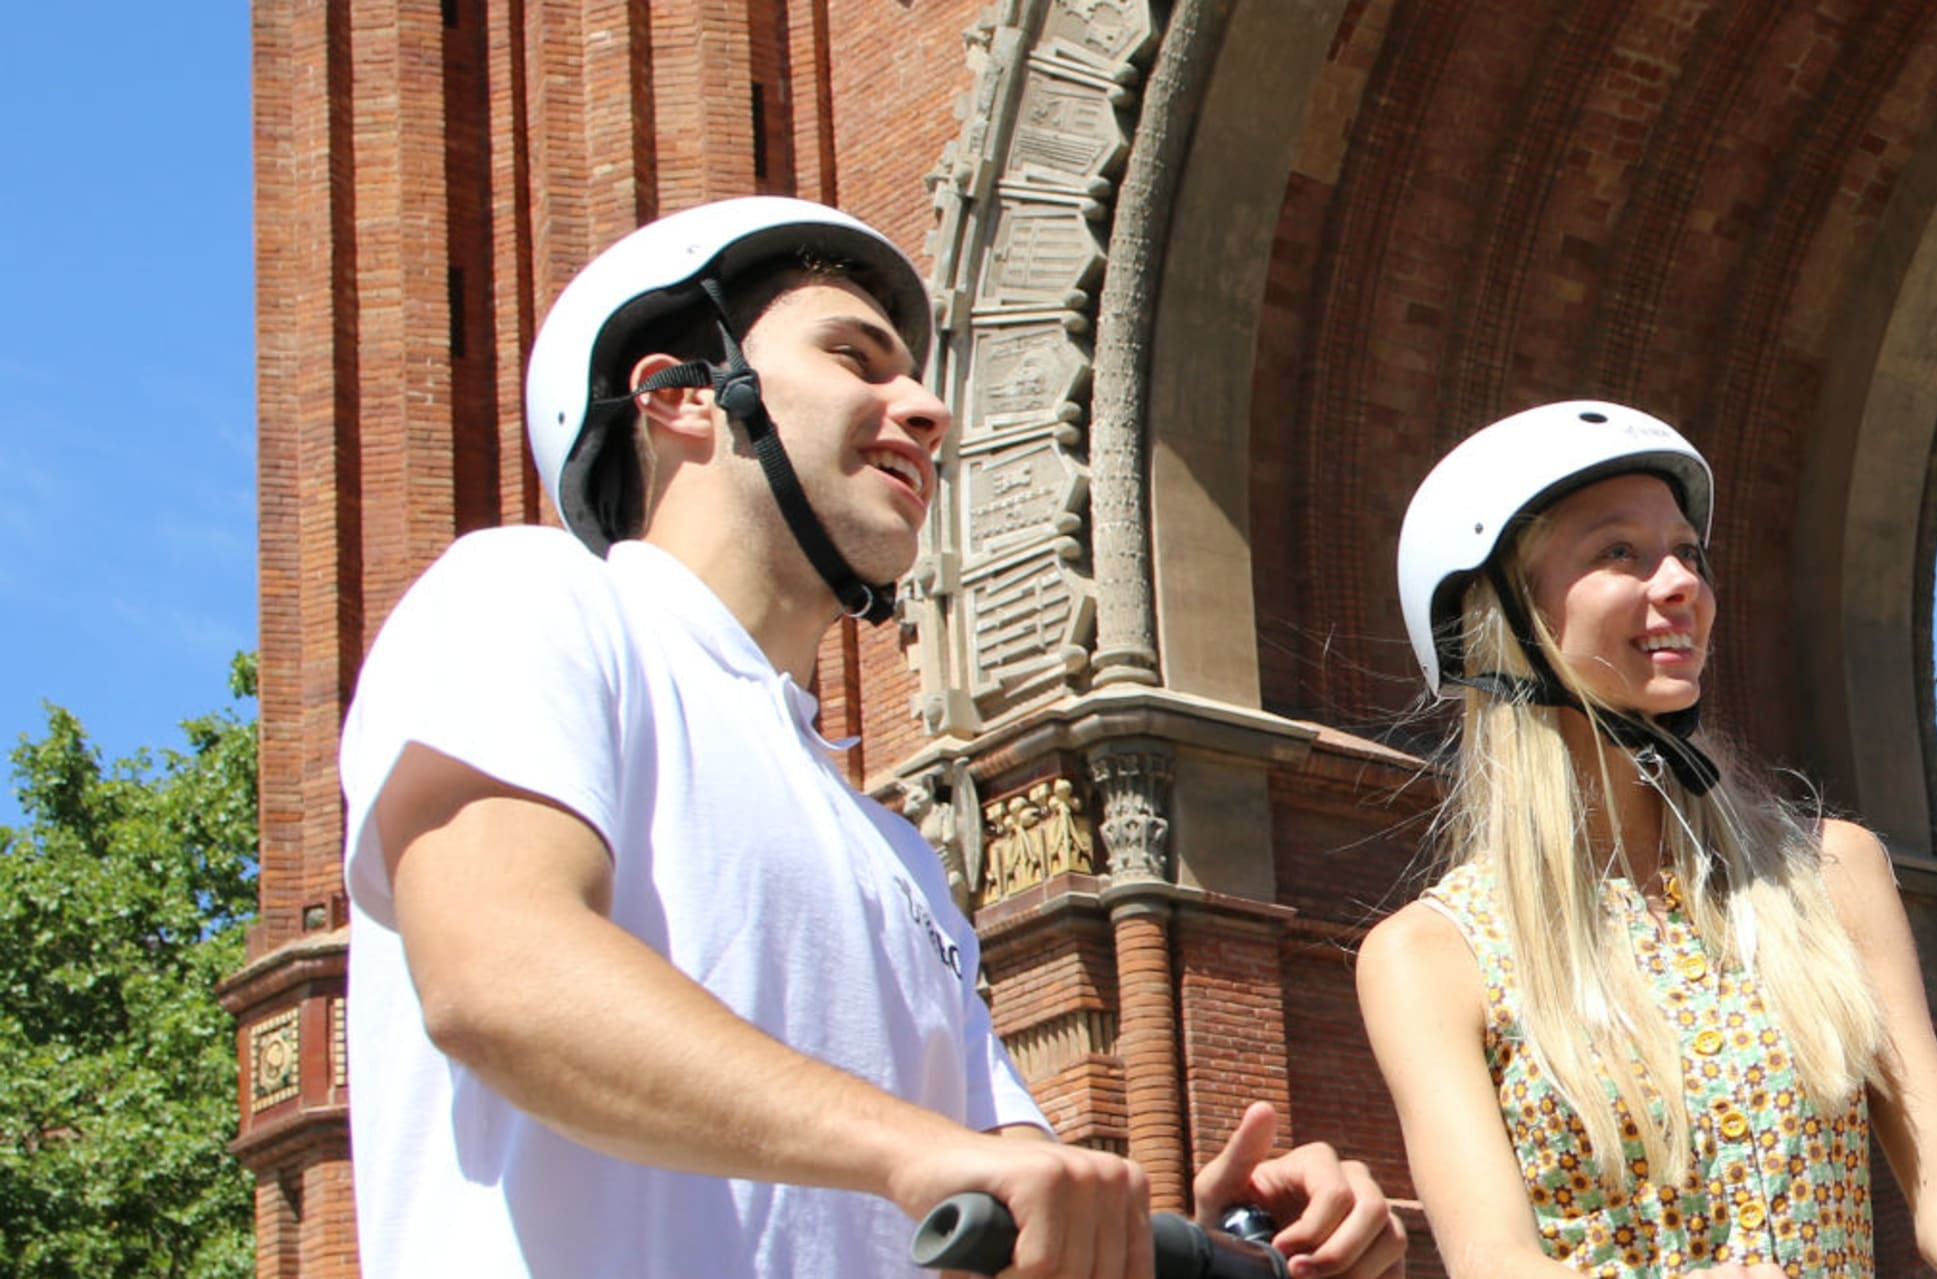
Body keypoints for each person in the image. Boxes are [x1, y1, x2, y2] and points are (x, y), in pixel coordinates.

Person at [339, 196, 1405, 1279]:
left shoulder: (891, 851)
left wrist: (1201, 1246)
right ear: (678, 398)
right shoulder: (528, 598)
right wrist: (912, 1152)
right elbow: (499, 974)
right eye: (857, 358)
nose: (927, 409)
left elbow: (991, 1207)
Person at [1355, 403, 1937, 1279]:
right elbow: (1496, 1261)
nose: (1681, 582)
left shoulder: (1830, 873)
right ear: (1504, 615)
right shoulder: (1428, 955)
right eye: (1620, 553)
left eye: (1689, 553)